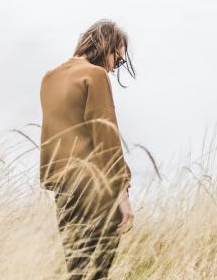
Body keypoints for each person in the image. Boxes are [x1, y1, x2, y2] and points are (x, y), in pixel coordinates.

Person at [39, 19, 136, 280]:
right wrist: (122, 193)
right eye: (119, 58)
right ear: (108, 46)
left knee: (77, 270)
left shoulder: (49, 79)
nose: (116, 65)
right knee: (97, 273)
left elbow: (51, 137)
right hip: (97, 187)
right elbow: (106, 136)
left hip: (64, 191)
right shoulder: (95, 75)